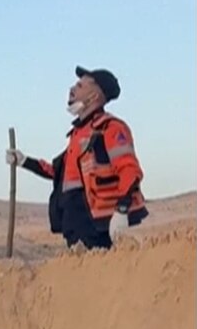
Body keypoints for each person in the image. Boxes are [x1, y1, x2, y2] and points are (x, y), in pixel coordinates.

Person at [8, 66, 148, 251]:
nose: (72, 89)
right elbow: (59, 173)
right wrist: (24, 161)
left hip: (98, 223)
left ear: (94, 97)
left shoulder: (110, 128)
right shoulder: (78, 134)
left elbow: (129, 170)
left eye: (80, 86)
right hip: (74, 223)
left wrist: (121, 211)